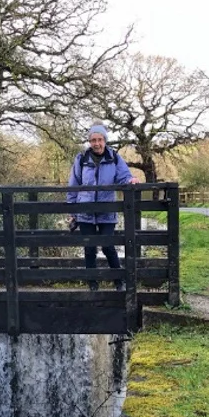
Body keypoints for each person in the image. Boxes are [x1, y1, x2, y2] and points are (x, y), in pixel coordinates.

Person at [66, 122, 133, 291]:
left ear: (105, 140)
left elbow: (124, 176)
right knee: (89, 247)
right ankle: (92, 283)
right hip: (85, 210)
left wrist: (130, 180)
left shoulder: (114, 158)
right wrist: (72, 210)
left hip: (106, 210)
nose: (96, 143)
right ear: (89, 141)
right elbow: (74, 185)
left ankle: (118, 281)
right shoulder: (81, 159)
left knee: (108, 245)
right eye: (93, 140)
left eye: (100, 139)